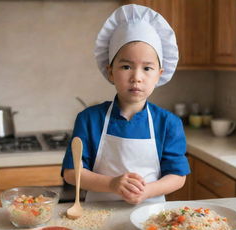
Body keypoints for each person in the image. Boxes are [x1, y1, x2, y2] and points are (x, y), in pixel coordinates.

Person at [61, 4, 190, 204]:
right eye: (126, 66)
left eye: (147, 68)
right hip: (98, 217)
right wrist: (112, 184)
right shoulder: (89, 119)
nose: (136, 77)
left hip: (151, 218)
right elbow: (71, 173)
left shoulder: (168, 123)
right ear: (111, 71)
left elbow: (177, 176)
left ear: (159, 75)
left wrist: (146, 191)